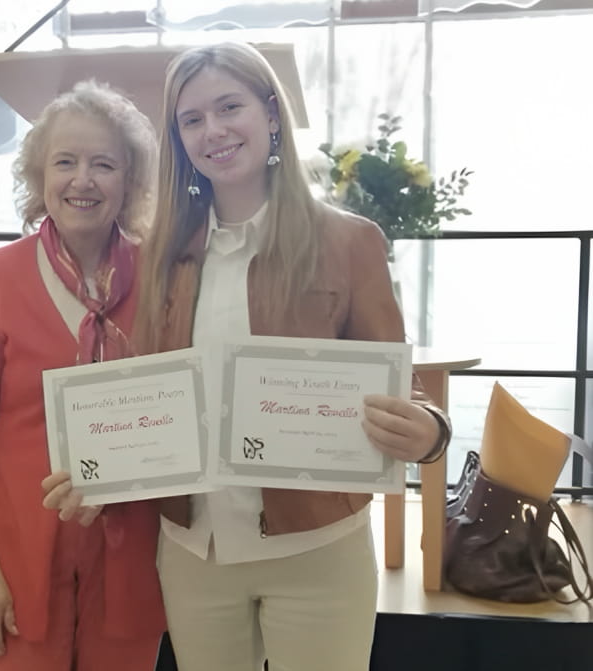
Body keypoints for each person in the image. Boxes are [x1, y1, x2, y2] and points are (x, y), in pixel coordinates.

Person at [129, 42, 452, 670]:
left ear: (272, 113)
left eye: (230, 107)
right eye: (191, 119)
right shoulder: (159, 255)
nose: (213, 131)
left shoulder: (351, 242)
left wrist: (429, 431)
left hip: (317, 549)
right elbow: (148, 392)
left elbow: (402, 389)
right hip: (195, 550)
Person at [0, 80, 165, 671]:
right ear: (40, 174)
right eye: (65, 161)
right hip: (19, 567)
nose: (82, 180)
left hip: (131, 567)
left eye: (104, 164)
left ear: (130, 181)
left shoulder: (165, 279)